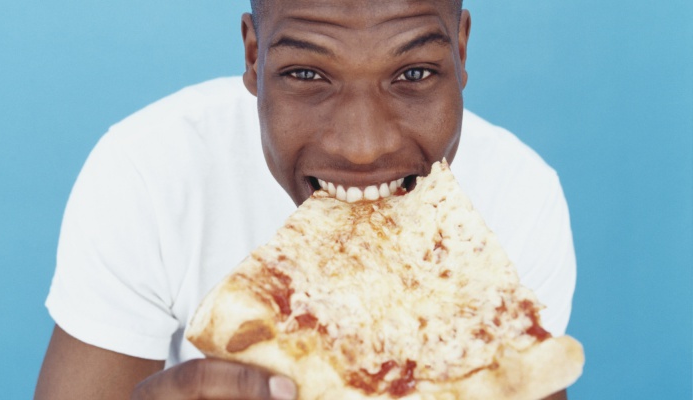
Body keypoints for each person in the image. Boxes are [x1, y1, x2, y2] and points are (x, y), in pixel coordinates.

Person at [34, 0, 576, 399]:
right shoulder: (150, 176)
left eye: (413, 73)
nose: (364, 149)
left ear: (459, 51)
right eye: (307, 74)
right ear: (253, 57)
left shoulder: (517, 194)